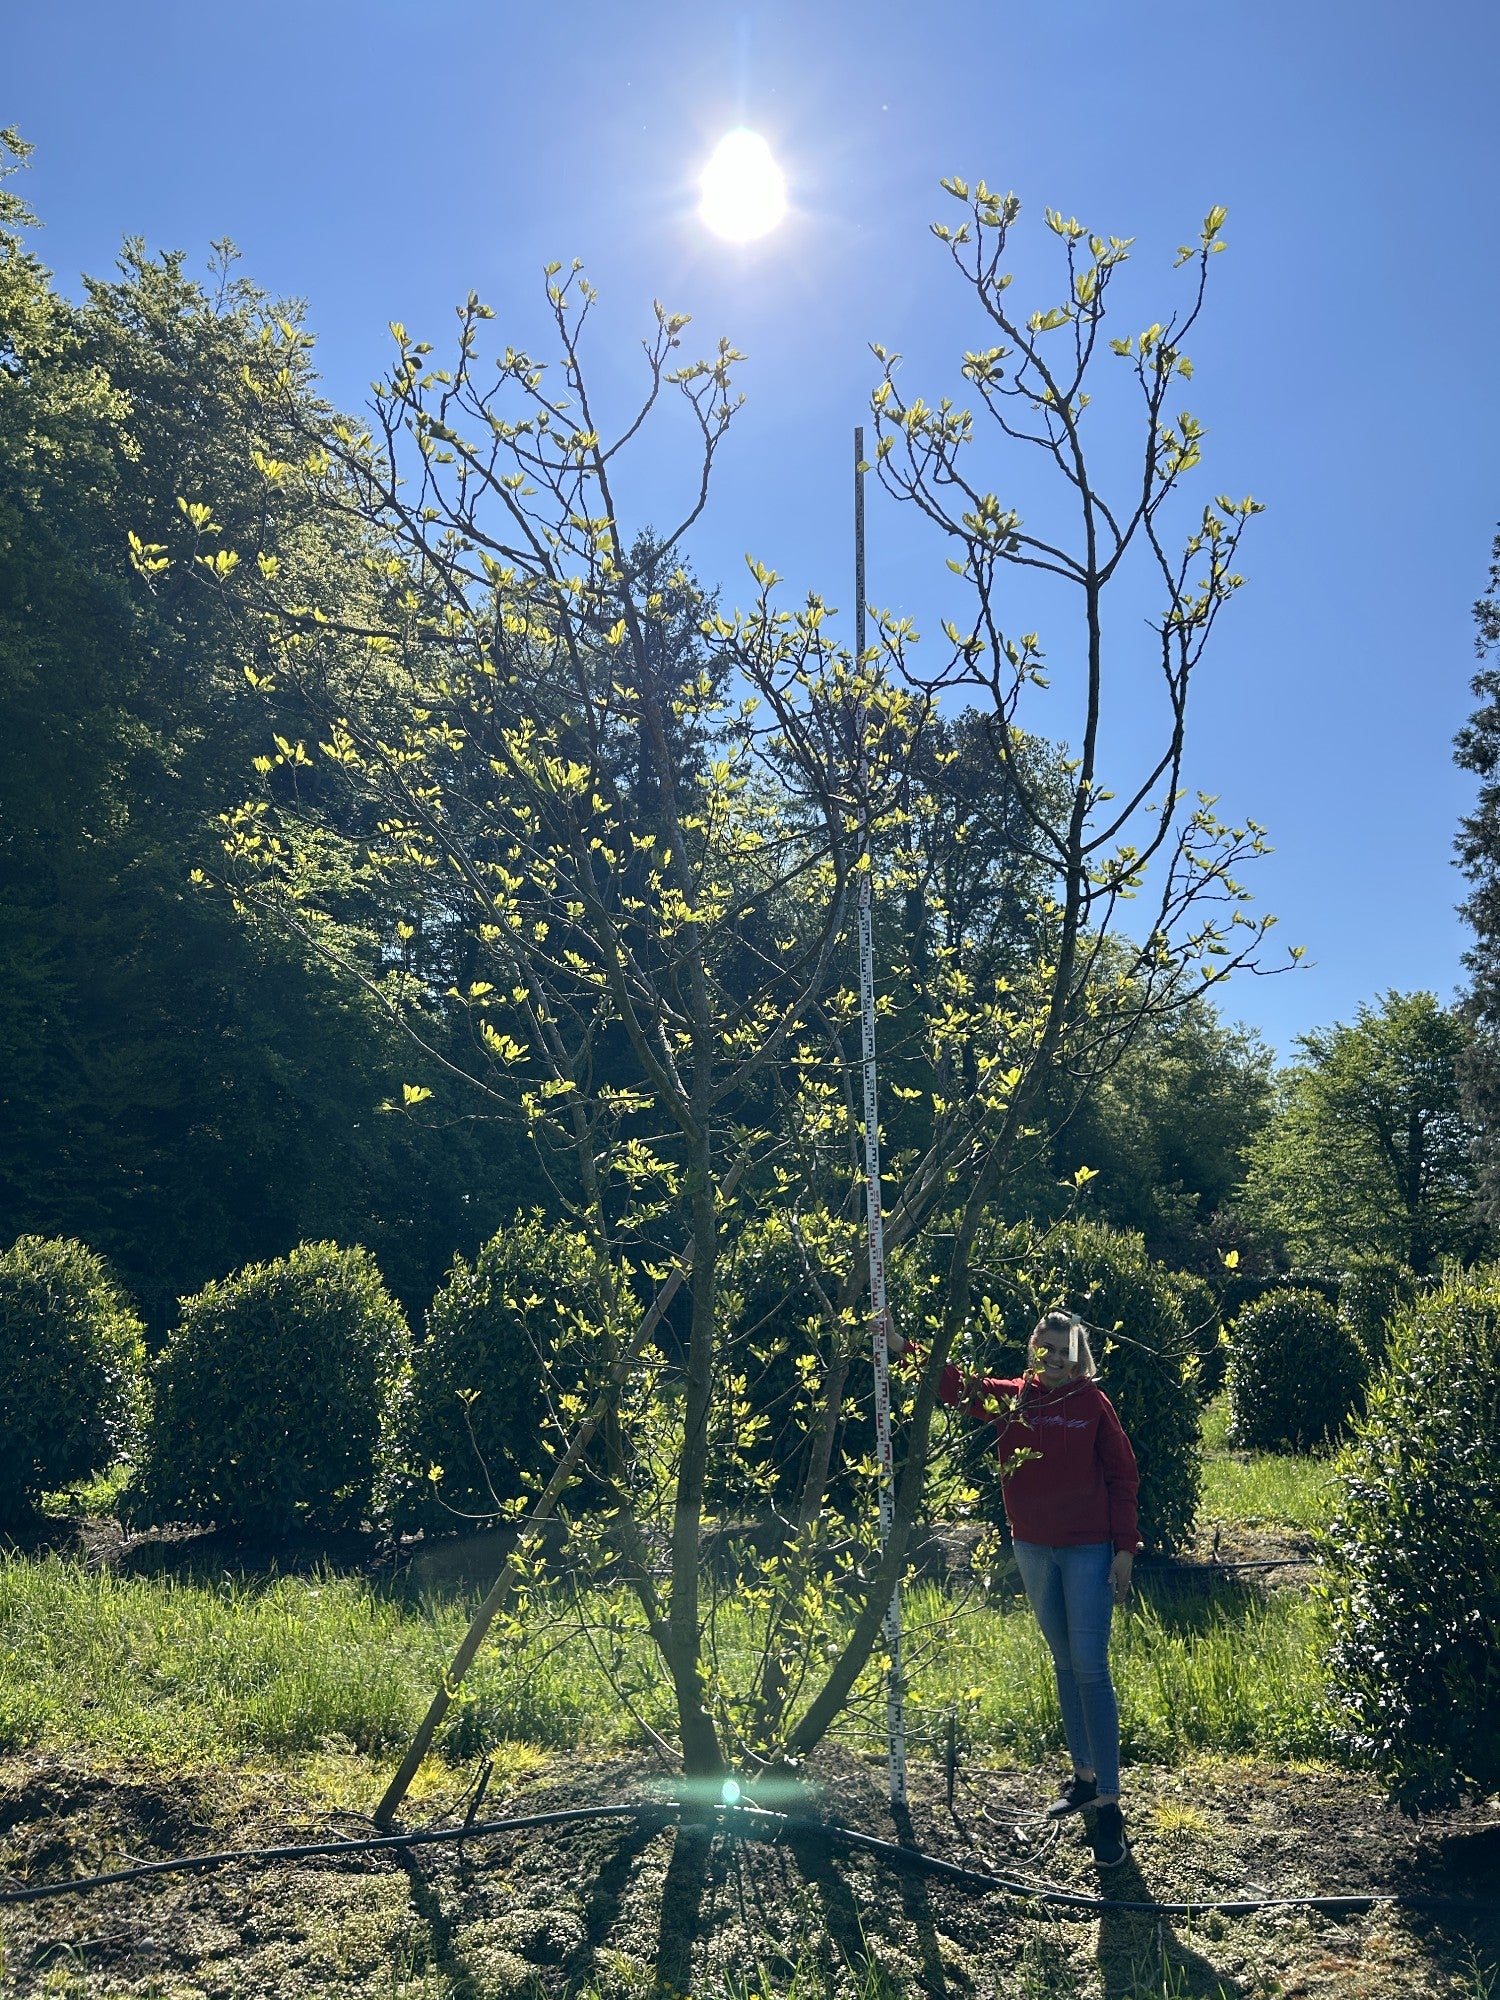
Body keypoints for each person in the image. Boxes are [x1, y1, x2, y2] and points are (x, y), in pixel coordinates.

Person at [890, 1307, 1141, 1866]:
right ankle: (1082, 1776)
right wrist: (901, 1344)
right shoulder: (1013, 1398)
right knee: (1063, 1663)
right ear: (1033, 1349)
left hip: (1088, 1550)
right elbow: (954, 1386)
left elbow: (1123, 1475)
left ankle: (1108, 1806)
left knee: (1091, 1667)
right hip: (1032, 1548)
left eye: (1066, 1352)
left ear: (1081, 1357)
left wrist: (1124, 1549)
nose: (1055, 1361)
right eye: (1046, 1349)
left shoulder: (1093, 1405)